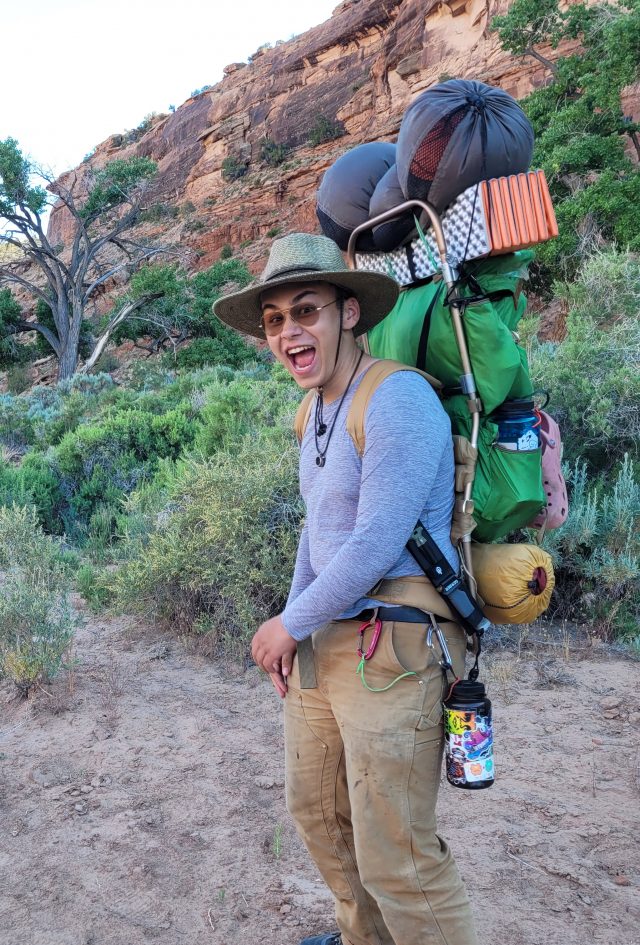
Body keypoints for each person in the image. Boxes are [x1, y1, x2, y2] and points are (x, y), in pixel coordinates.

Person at [214, 233, 478, 945]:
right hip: (327, 638)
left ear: (350, 314)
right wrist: (292, 627)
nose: (289, 332)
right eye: (274, 319)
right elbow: (318, 530)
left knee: (399, 852)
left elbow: (375, 542)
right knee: (319, 813)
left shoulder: (398, 399)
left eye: (306, 311)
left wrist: (288, 621)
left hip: (393, 648)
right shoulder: (313, 413)